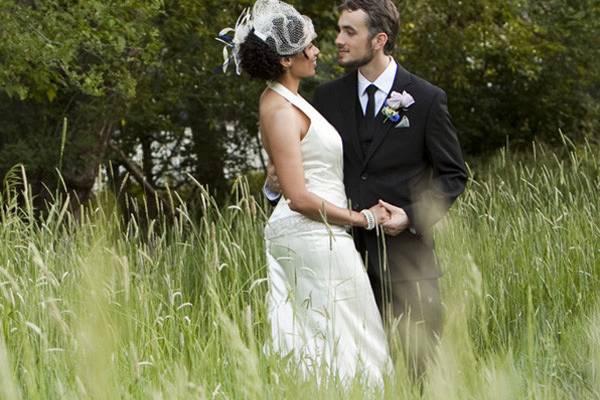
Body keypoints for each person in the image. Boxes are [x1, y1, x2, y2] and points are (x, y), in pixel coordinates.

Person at [265, 0, 468, 379]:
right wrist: (274, 186)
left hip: (406, 265)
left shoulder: (425, 99)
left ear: (379, 40)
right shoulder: (325, 99)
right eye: (339, 29)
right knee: (350, 370)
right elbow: (305, 162)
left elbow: (453, 175)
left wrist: (410, 215)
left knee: (416, 372)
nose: (338, 40)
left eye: (349, 32)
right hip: (338, 260)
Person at [222, 0, 392, 386]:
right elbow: (298, 197)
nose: (317, 51)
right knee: (343, 339)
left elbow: (288, 177)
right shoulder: (279, 107)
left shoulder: (294, 101)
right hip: (311, 236)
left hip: (323, 236)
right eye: (308, 46)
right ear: (285, 59)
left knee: (340, 338)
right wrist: (363, 218)